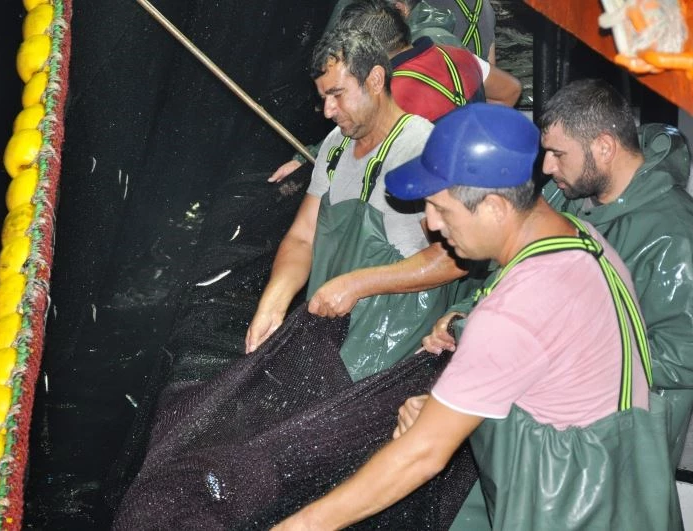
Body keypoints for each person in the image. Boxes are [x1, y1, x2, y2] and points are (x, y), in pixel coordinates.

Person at [272, 103, 681, 530]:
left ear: (495, 207)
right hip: (623, 489)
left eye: (441, 209)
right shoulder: (582, 240)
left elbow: (421, 456)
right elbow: (561, 374)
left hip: (567, 510)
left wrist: (300, 526)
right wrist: (450, 410)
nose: (432, 225)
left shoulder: (515, 308)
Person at [426, 78, 693, 530]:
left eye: (557, 154)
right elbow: (514, 270)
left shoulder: (675, 234)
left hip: (617, 442)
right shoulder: (564, 194)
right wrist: (468, 311)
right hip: (538, 421)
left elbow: (684, 354)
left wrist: (570, 351)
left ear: (604, 147)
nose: (547, 168)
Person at [245, 28, 465, 382]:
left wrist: (357, 284)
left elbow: (455, 260)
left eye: (337, 94)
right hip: (331, 330)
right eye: (323, 98)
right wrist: (274, 301)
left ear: (375, 80)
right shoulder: (335, 146)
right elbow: (303, 236)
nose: (328, 110)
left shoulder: (422, 150)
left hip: (394, 340)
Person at [269, 0, 520, 182]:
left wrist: (303, 162)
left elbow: (348, 150)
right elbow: (510, 90)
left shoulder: (392, 97)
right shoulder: (455, 53)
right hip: (485, 175)